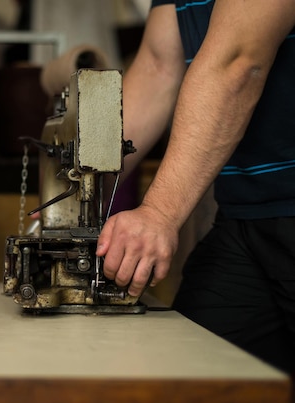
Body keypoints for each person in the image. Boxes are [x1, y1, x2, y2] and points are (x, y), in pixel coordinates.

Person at [96, 0, 295, 374]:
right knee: (190, 376)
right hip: (245, 215)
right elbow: (158, 67)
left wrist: (159, 212)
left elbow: (238, 62)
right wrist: (74, 185)